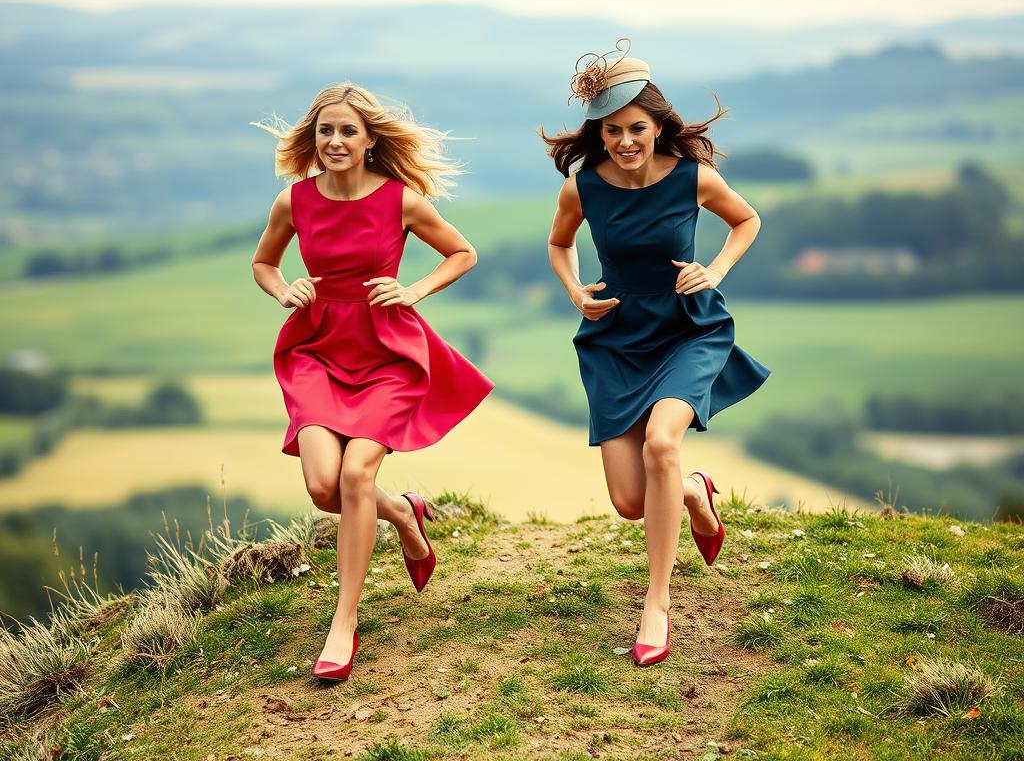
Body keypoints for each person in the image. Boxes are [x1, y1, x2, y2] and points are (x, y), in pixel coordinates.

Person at [251, 83, 493, 682]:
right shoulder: (294, 202)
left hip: (387, 350)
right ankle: (403, 515)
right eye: (325, 131)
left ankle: (344, 622)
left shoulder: (400, 200)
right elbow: (263, 263)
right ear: (313, 138)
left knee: (357, 473)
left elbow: (462, 253)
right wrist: (287, 289)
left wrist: (412, 290)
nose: (334, 141)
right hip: (315, 349)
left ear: (369, 141)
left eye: (347, 132)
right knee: (323, 487)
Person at [541, 40, 770, 667]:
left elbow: (746, 221)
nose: (624, 141)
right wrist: (574, 291)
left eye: (635, 128)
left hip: (685, 329)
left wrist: (715, 270)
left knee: (662, 442)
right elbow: (560, 247)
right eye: (612, 130)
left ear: (656, 124)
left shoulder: (694, 177)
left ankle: (658, 604)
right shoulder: (582, 188)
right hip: (614, 338)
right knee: (631, 502)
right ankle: (695, 492)